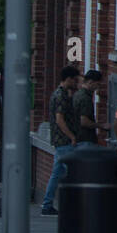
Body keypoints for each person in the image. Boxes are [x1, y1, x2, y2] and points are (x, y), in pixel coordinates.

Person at [41, 65, 81, 216]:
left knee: (58, 172)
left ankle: (48, 203)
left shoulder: (61, 94)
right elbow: (60, 119)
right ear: (68, 79)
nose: (76, 83)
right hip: (64, 141)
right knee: (69, 173)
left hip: (60, 140)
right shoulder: (60, 96)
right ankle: (54, 204)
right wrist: (72, 136)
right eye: (75, 80)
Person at [73, 70, 110, 147]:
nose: (98, 87)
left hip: (77, 137)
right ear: (90, 82)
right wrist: (102, 126)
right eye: (97, 84)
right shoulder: (85, 98)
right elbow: (84, 121)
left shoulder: (77, 94)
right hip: (85, 139)